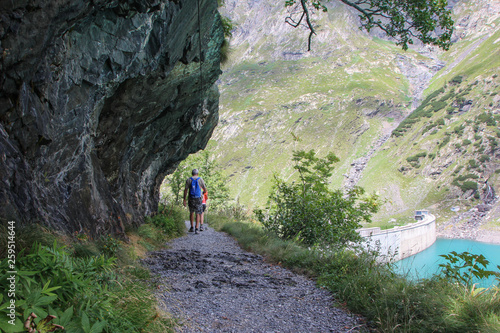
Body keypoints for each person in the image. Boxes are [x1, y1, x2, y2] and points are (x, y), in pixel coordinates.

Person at [183, 169, 207, 234]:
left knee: (191, 212)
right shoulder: (200, 179)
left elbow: (185, 190)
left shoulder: (189, 180)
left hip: (191, 198)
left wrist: (184, 199)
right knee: (198, 213)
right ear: (197, 173)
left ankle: (191, 227)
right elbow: (205, 189)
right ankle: (197, 228)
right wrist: (203, 193)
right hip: (198, 198)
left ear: (192, 173)